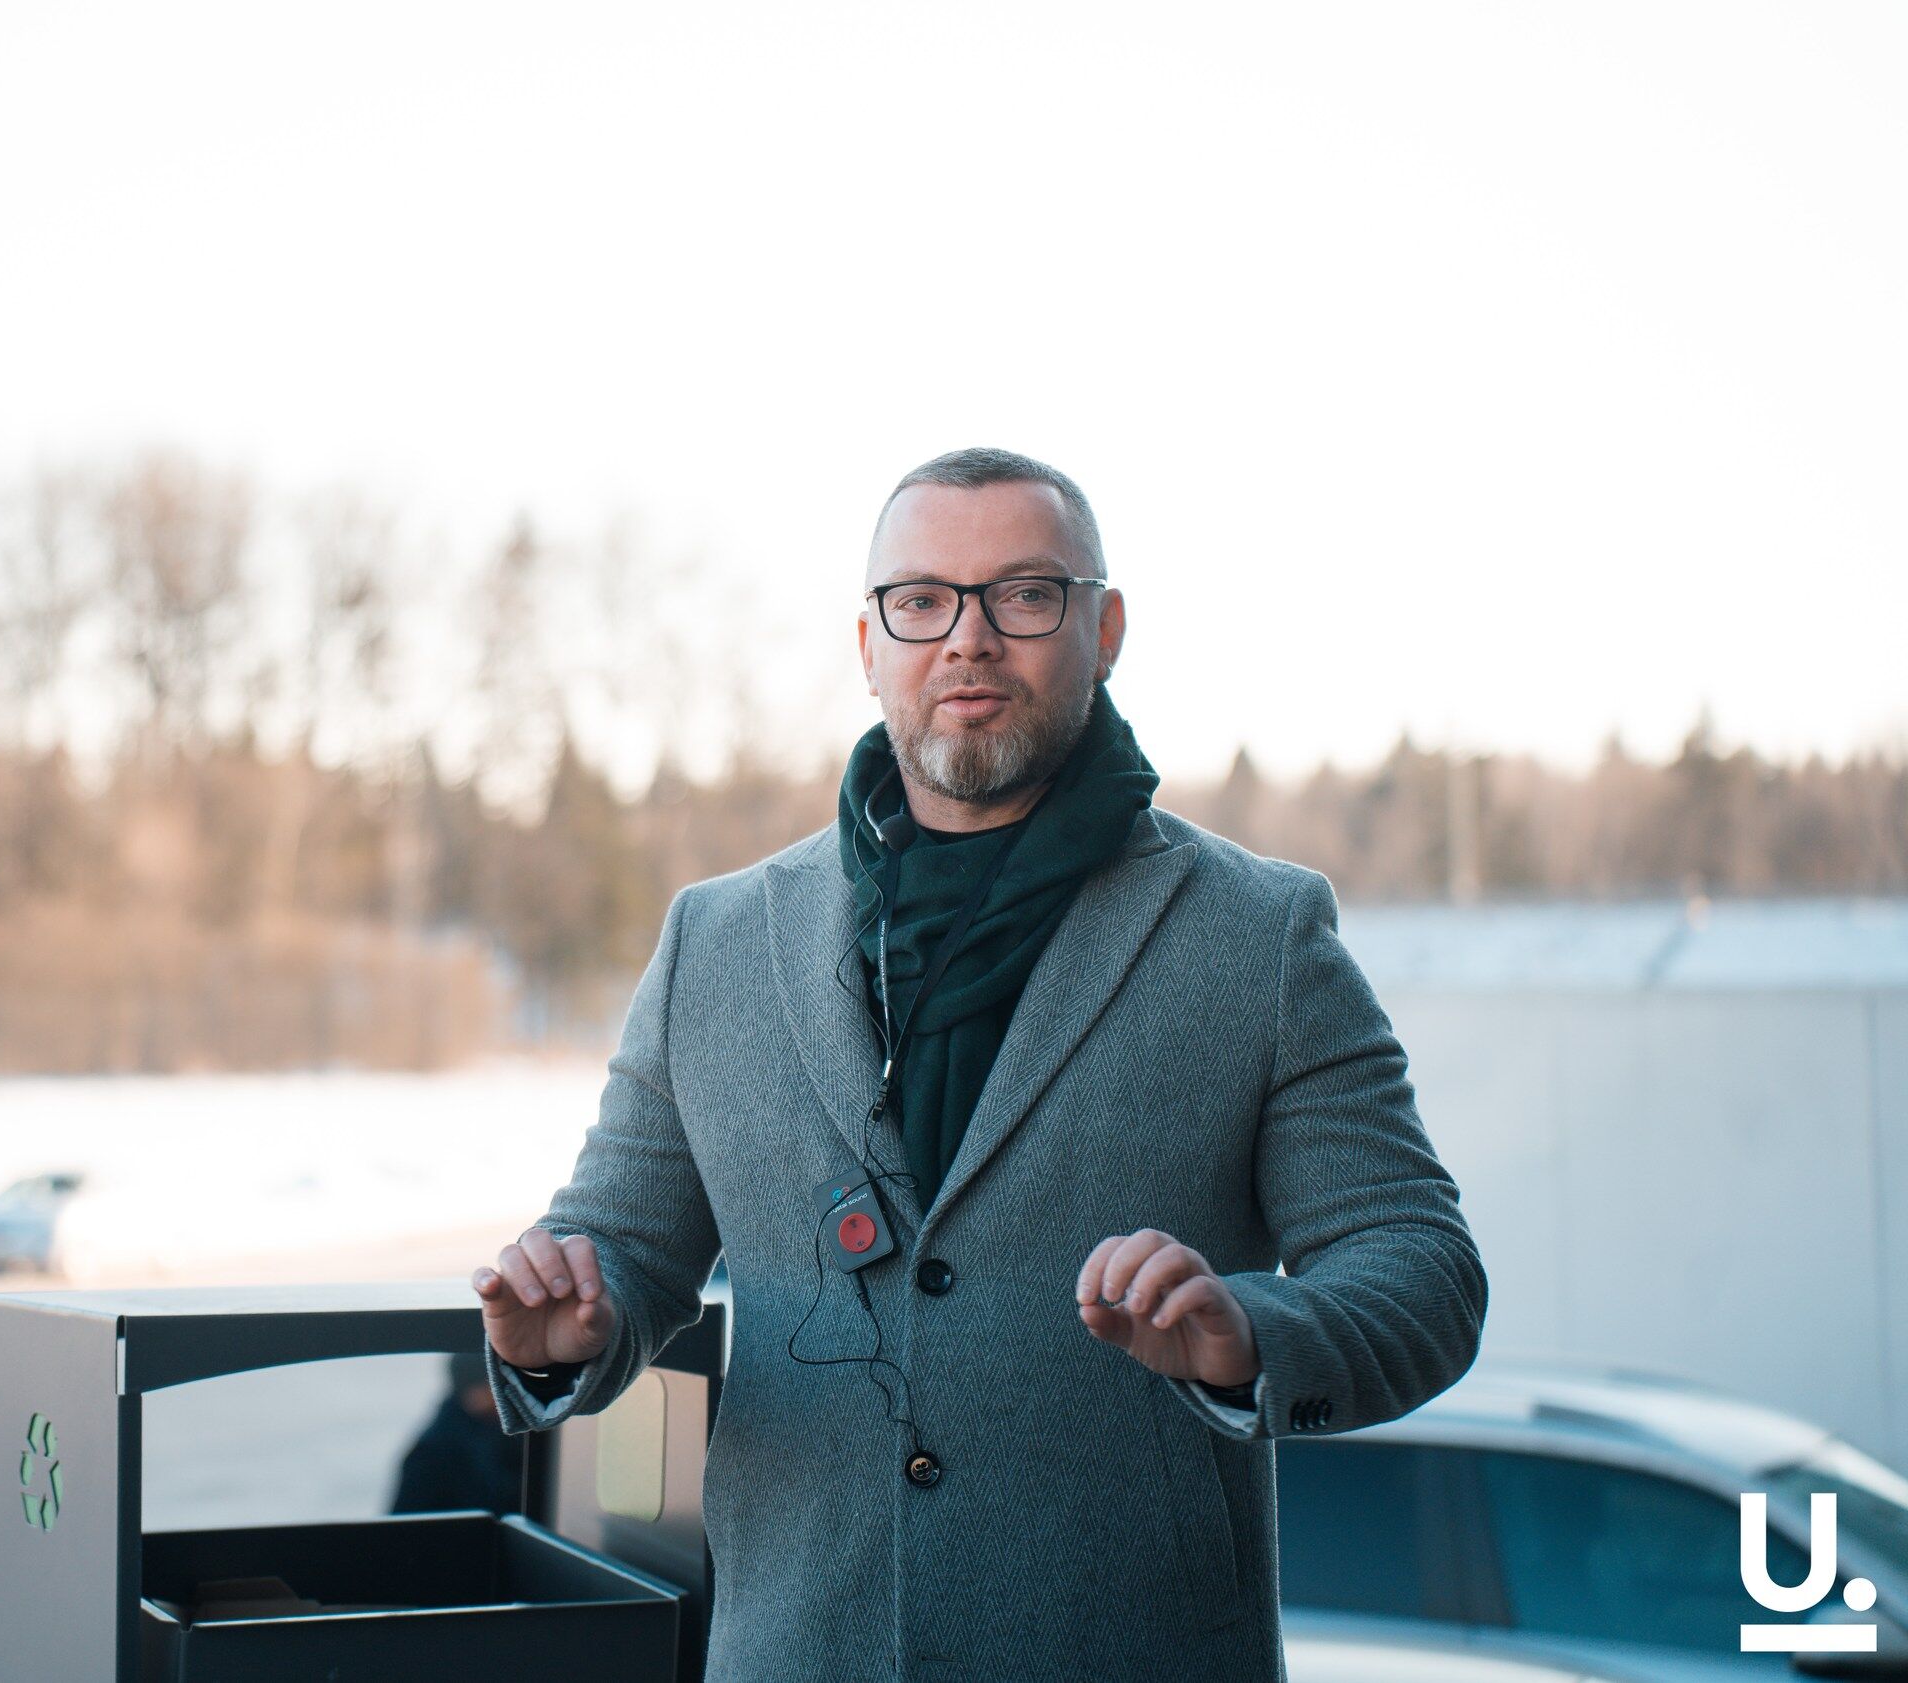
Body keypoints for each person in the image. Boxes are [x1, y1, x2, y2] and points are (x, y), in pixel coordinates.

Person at [472, 447, 1487, 1682]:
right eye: (922, 600)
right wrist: (559, 1331)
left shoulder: (1256, 936)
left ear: (1103, 629)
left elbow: (1421, 1272)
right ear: (868, 644)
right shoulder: (715, 940)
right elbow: (622, 1249)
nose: (968, 638)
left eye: (1024, 594)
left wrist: (1249, 1334)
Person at [386, 1351, 526, 1518]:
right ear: (473, 1391)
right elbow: (404, 1523)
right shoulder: (432, 1452)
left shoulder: (516, 1430)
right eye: (498, 1384)